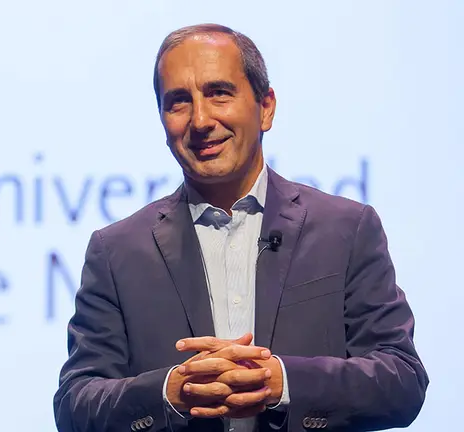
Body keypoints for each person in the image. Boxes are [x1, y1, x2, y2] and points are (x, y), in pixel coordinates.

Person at [52, 23, 429, 432]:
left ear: (266, 107)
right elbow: (75, 405)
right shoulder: (116, 251)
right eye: (178, 101)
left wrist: (282, 382)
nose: (200, 120)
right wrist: (170, 392)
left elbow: (402, 379)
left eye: (219, 93)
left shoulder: (347, 229)